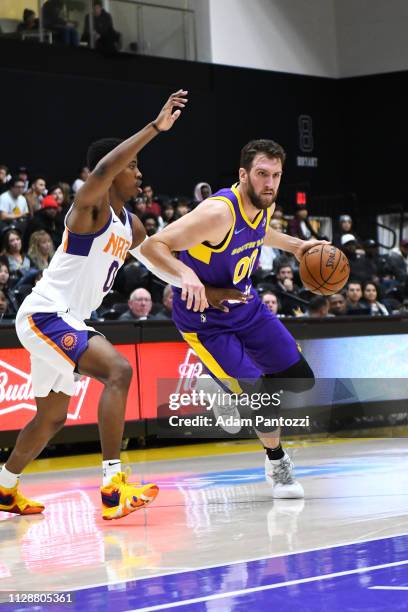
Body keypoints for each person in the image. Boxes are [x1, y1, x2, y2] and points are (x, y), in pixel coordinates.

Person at [0, 90, 194, 520]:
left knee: (51, 418)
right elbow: (104, 168)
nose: (139, 174)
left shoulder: (132, 224)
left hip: (62, 319)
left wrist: (195, 284)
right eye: (133, 166)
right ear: (111, 172)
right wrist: (154, 128)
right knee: (119, 371)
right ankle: (112, 487)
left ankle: (4, 486)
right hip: (45, 313)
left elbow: (158, 261)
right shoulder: (90, 209)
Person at [141, 138, 327, 499]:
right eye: (261, 174)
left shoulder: (263, 205)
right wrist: (186, 275)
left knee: (300, 379)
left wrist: (297, 246)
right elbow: (152, 247)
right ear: (243, 175)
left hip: (246, 306)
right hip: (205, 322)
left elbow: (260, 232)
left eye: (276, 175)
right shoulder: (217, 213)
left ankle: (231, 389)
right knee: (259, 399)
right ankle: (277, 463)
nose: (269, 183)